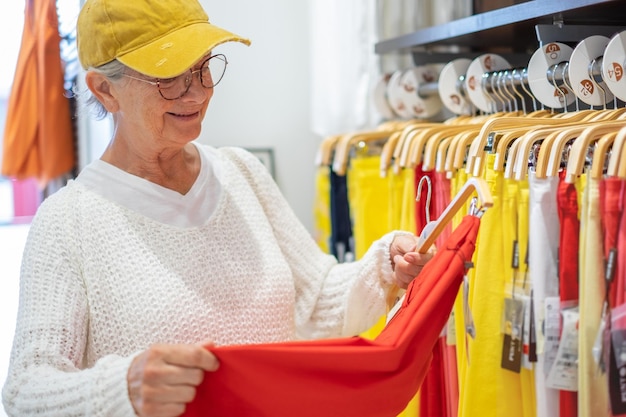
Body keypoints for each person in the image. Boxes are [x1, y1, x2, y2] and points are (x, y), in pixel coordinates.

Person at [1, 0, 433, 416]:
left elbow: (314, 303)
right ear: (105, 89)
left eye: (203, 67)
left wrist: (383, 267)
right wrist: (121, 389)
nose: (196, 92)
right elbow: (26, 391)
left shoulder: (240, 172)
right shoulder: (68, 222)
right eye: (168, 76)